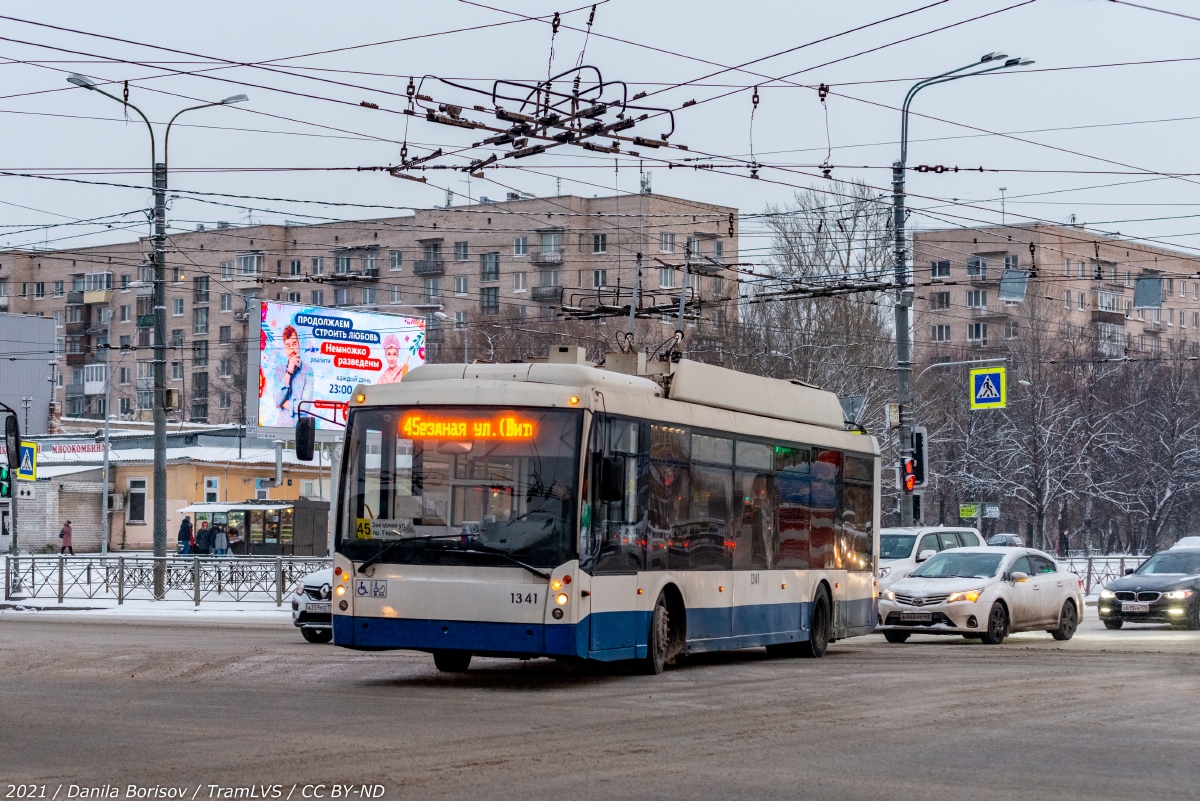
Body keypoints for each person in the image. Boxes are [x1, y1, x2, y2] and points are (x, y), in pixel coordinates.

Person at [272, 324, 313, 422]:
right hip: (282, 427)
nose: (291, 349)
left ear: (299, 344)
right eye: (288, 345)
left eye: (294, 344)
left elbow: (305, 406)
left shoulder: (308, 371)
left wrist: (283, 404)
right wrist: (289, 372)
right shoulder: (278, 370)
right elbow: (277, 400)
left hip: (302, 428)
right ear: (284, 348)